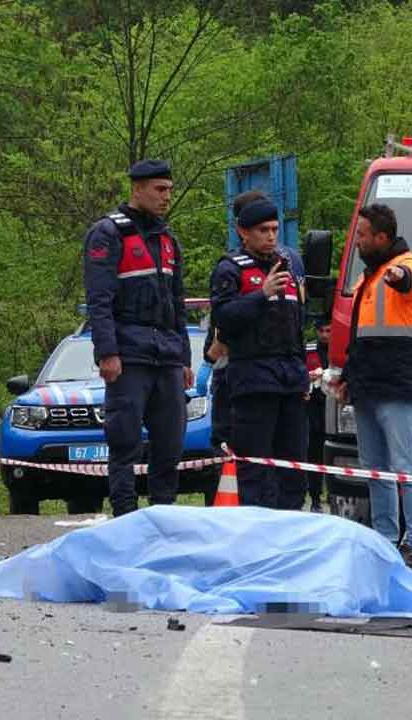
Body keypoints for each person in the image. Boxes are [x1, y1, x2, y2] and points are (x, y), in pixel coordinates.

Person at [83, 159, 193, 517]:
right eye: (160, 190)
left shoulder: (167, 238)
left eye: (170, 190)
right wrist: (107, 352)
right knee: (125, 441)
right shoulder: (107, 233)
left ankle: (163, 515)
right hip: (130, 355)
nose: (166, 197)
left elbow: (178, 303)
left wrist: (185, 358)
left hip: (168, 357)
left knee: (170, 445)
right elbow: (99, 300)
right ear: (137, 189)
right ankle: (125, 516)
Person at [327, 203, 412, 572]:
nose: (356, 242)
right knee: (376, 468)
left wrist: (397, 275)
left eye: (362, 235)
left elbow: (410, 280)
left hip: (397, 385)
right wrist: (347, 380)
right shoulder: (366, 278)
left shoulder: (409, 266)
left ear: (382, 238)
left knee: (406, 466)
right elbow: (361, 338)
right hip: (368, 386)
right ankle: (385, 540)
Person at [210, 195, 309, 510]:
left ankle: (291, 532)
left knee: (294, 468)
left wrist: (303, 375)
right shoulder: (230, 268)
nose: (270, 236)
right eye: (263, 230)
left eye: (274, 229)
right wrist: (261, 295)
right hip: (253, 380)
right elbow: (223, 319)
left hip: (290, 380)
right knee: (255, 470)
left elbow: (297, 326)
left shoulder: (288, 266)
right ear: (244, 232)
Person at [305, 314, 332, 512]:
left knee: (331, 456)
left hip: (334, 409)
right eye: (321, 331)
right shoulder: (309, 350)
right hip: (312, 410)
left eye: (328, 331)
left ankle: (332, 494)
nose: (324, 335)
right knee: (313, 455)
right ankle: (315, 498)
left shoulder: (340, 349)